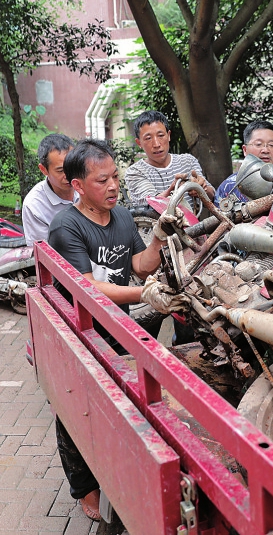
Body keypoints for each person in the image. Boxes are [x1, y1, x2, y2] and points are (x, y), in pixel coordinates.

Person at [47, 138, 187, 521]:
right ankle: (84, 489)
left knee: (122, 404)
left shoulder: (122, 216)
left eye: (115, 177)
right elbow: (88, 288)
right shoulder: (67, 226)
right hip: (80, 328)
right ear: (78, 186)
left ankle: (119, 471)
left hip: (116, 325)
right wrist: (147, 294)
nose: (113, 186)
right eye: (101, 180)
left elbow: (139, 264)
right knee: (76, 409)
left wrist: (158, 237)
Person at [124, 110, 215, 208]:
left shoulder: (187, 161)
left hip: (194, 223)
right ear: (139, 143)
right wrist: (173, 189)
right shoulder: (135, 172)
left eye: (161, 135)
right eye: (148, 138)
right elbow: (151, 204)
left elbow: (212, 196)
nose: (156, 144)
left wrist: (201, 188)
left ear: (169, 136)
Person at [21, 133, 76, 245]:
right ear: (43, 169)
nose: (69, 175)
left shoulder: (88, 185)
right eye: (60, 171)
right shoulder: (35, 206)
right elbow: (45, 254)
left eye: (72, 167)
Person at [214, 119, 273, 205]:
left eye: (271, 145)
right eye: (258, 144)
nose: (266, 150)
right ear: (245, 150)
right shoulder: (229, 187)